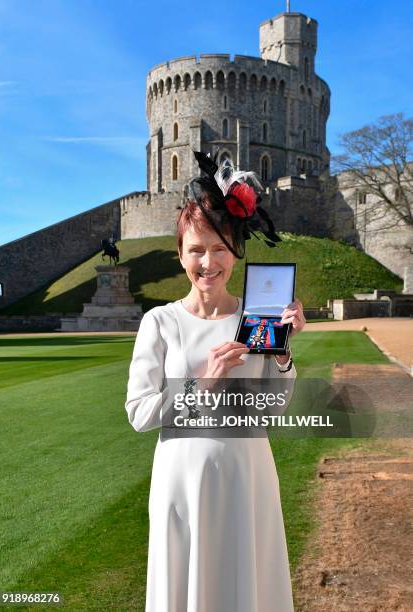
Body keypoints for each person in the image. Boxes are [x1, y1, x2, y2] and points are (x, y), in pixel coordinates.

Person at [125, 150, 306, 612]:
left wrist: (283, 354)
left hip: (248, 472)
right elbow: (140, 413)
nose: (209, 262)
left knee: (247, 586)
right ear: (180, 253)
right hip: (182, 478)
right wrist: (200, 384)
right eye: (196, 250)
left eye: (220, 248)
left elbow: (272, 409)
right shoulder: (159, 322)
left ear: (236, 251)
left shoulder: (256, 315)